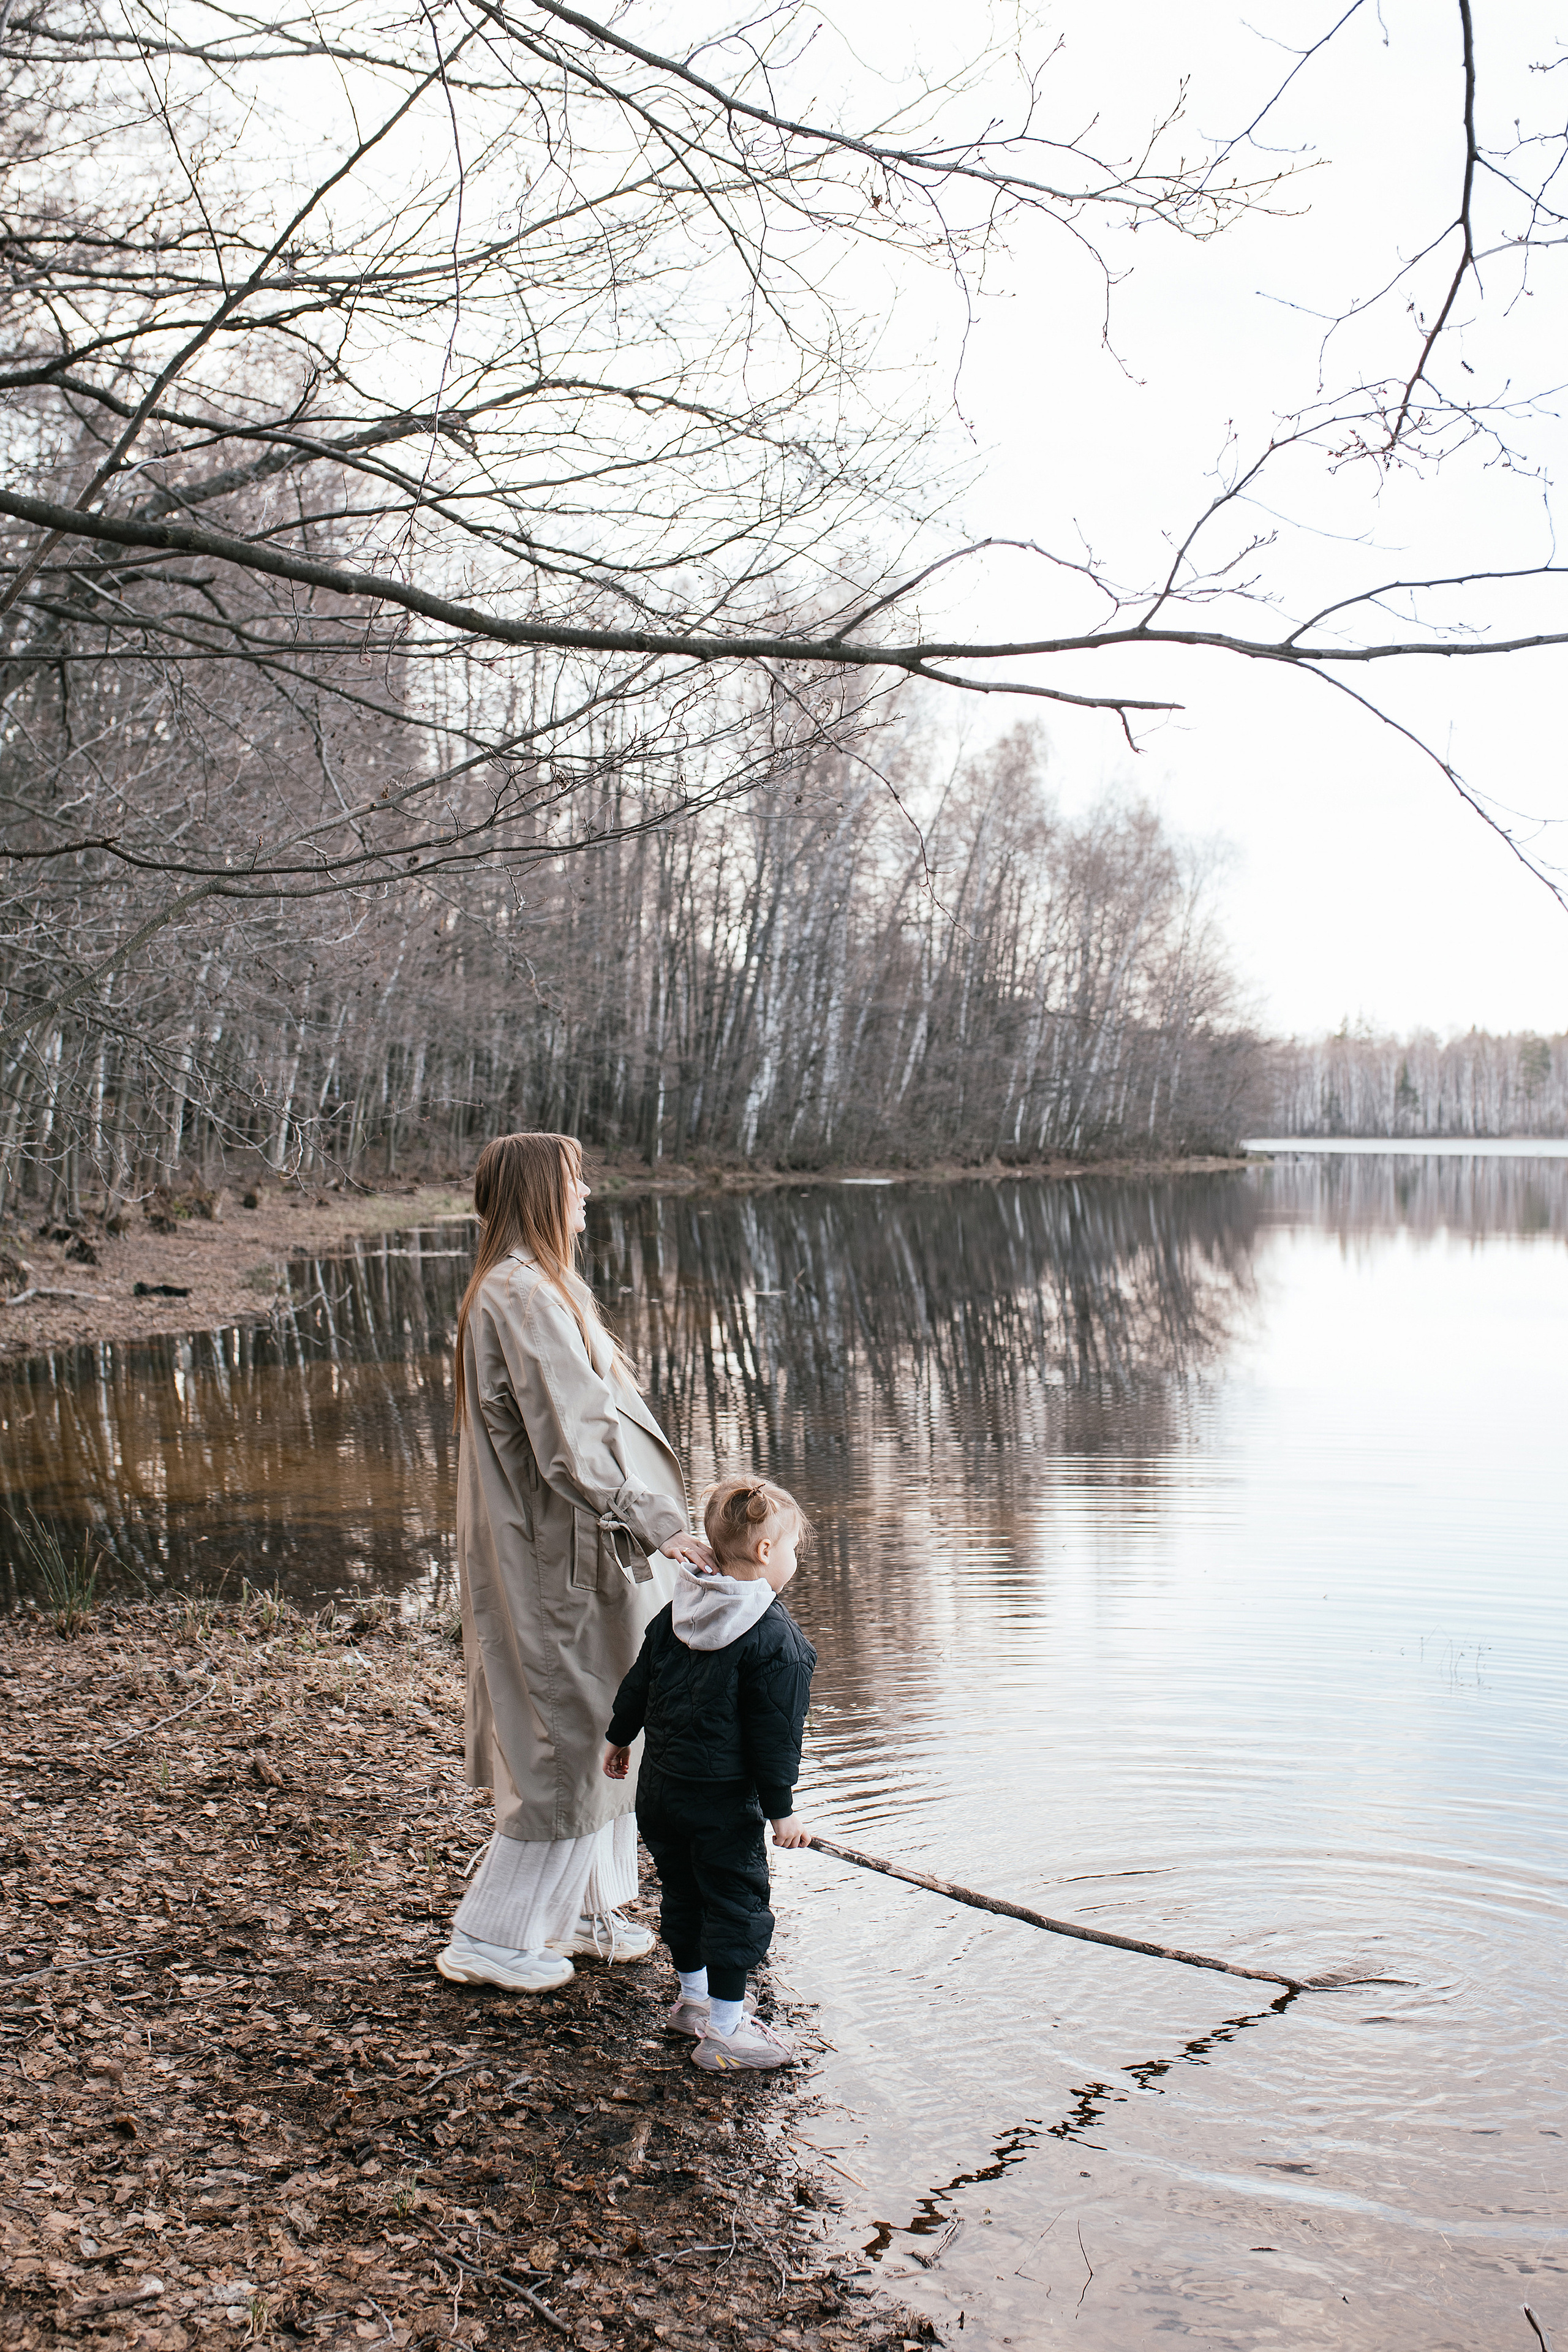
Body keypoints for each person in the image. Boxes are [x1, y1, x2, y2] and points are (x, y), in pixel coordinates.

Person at [435, 1131, 715, 1994]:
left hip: (575, 1549)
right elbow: (573, 1434)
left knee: (603, 1727)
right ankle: (493, 1935)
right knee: (566, 1737)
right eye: (574, 1182)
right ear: (536, 1193)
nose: (587, 1195)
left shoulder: (535, 1286)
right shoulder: (521, 1293)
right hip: (558, 1555)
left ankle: (587, 1910)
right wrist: (657, 1520)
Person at [603, 1473, 816, 2071]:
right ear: (767, 1551)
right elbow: (777, 1739)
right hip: (722, 1804)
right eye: (794, 1547)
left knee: (685, 1895)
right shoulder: (777, 1640)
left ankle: (693, 2003)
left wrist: (619, 1739)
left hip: (662, 1792)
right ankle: (725, 2031)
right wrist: (782, 1813)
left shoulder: (681, 1609)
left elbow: (639, 1681)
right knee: (736, 1905)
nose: (794, 1559)